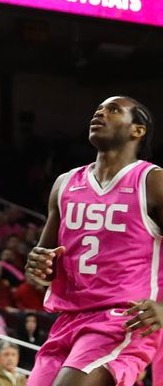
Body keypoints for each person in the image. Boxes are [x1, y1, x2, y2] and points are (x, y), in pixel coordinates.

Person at [24, 96, 163, 386]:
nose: (100, 113)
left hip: (124, 316)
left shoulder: (152, 181)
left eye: (113, 110)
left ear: (137, 130)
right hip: (69, 317)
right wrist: (37, 263)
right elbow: (47, 260)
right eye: (98, 109)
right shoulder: (65, 183)